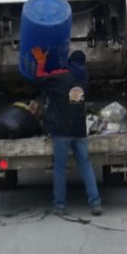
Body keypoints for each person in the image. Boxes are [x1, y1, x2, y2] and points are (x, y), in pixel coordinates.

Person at [31, 46, 102, 216]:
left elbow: (40, 80)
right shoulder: (84, 79)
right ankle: (95, 202)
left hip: (61, 130)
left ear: (70, 62)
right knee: (86, 166)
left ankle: (60, 205)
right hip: (79, 130)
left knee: (60, 168)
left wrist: (41, 62)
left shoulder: (61, 76)